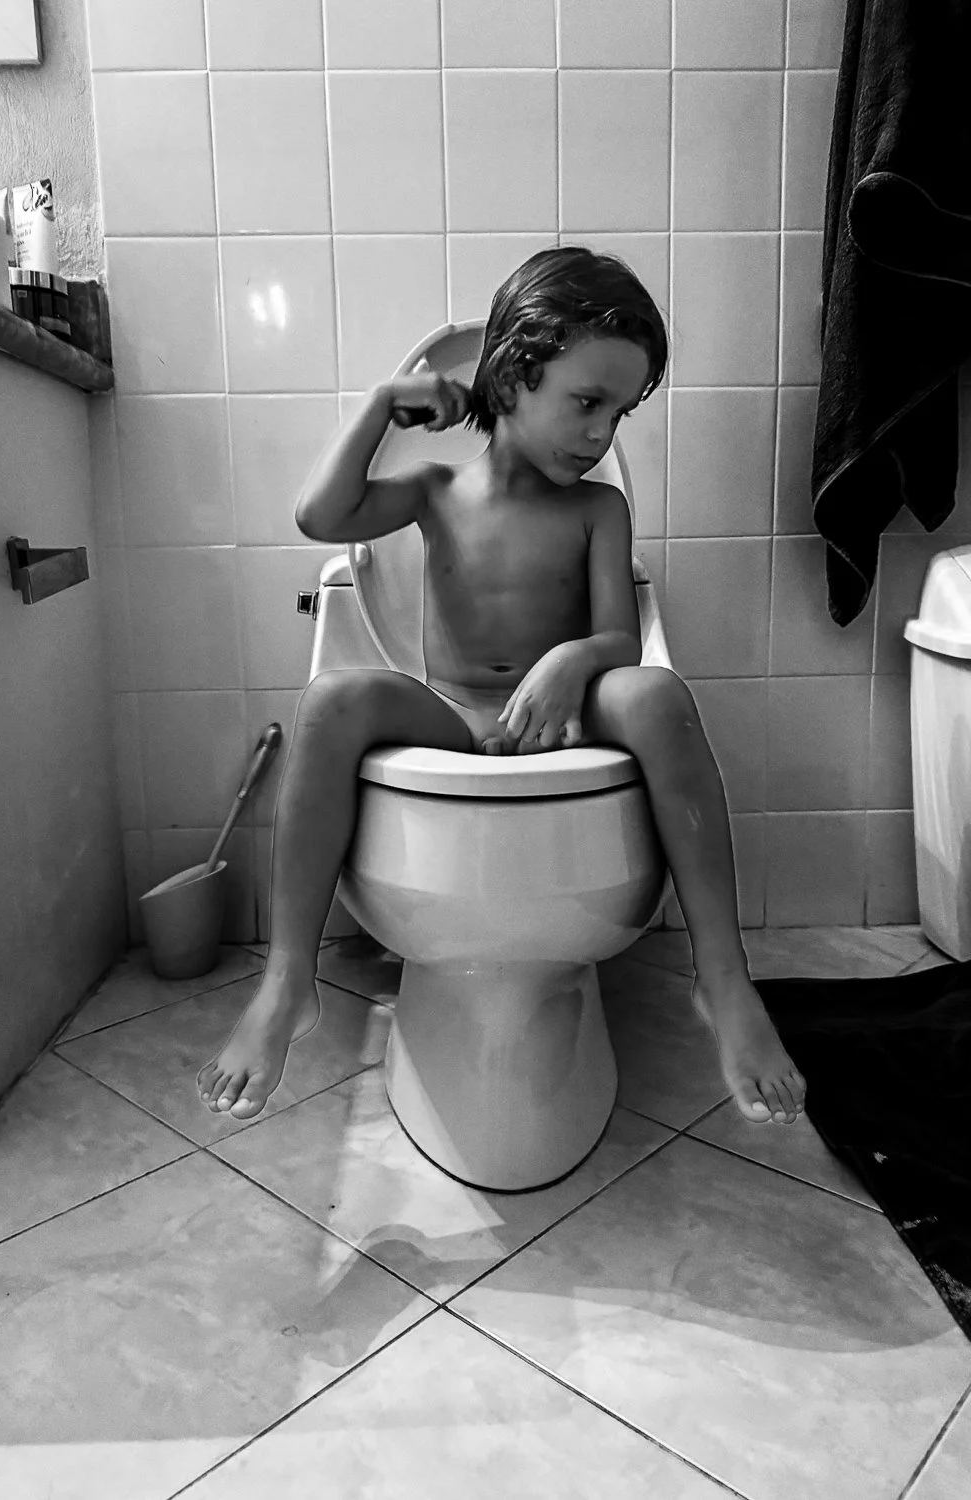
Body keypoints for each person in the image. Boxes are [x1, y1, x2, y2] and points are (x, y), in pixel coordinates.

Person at [197, 247, 806, 1129]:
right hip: (449, 715)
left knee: (657, 696)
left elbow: (620, 641)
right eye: (586, 402)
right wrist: (379, 405)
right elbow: (319, 518)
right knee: (333, 698)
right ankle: (288, 981)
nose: (601, 435)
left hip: (562, 721)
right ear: (515, 374)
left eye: (619, 413)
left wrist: (571, 662)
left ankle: (724, 979)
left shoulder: (600, 508)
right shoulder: (433, 488)